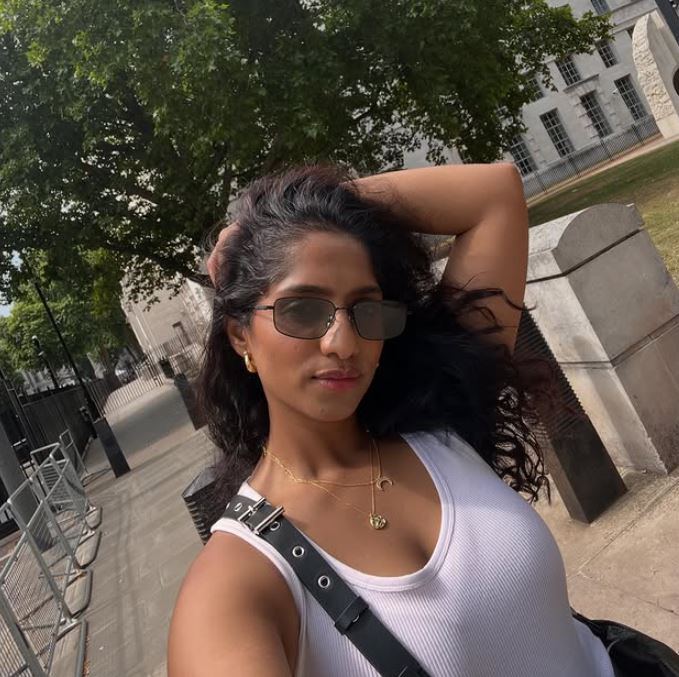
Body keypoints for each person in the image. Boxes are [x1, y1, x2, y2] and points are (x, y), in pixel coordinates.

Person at [168, 164, 616, 676]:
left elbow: (496, 194)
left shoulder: (436, 418)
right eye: (302, 310)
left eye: (366, 309)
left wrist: (292, 212)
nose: (343, 343)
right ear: (240, 335)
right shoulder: (237, 584)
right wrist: (269, 226)